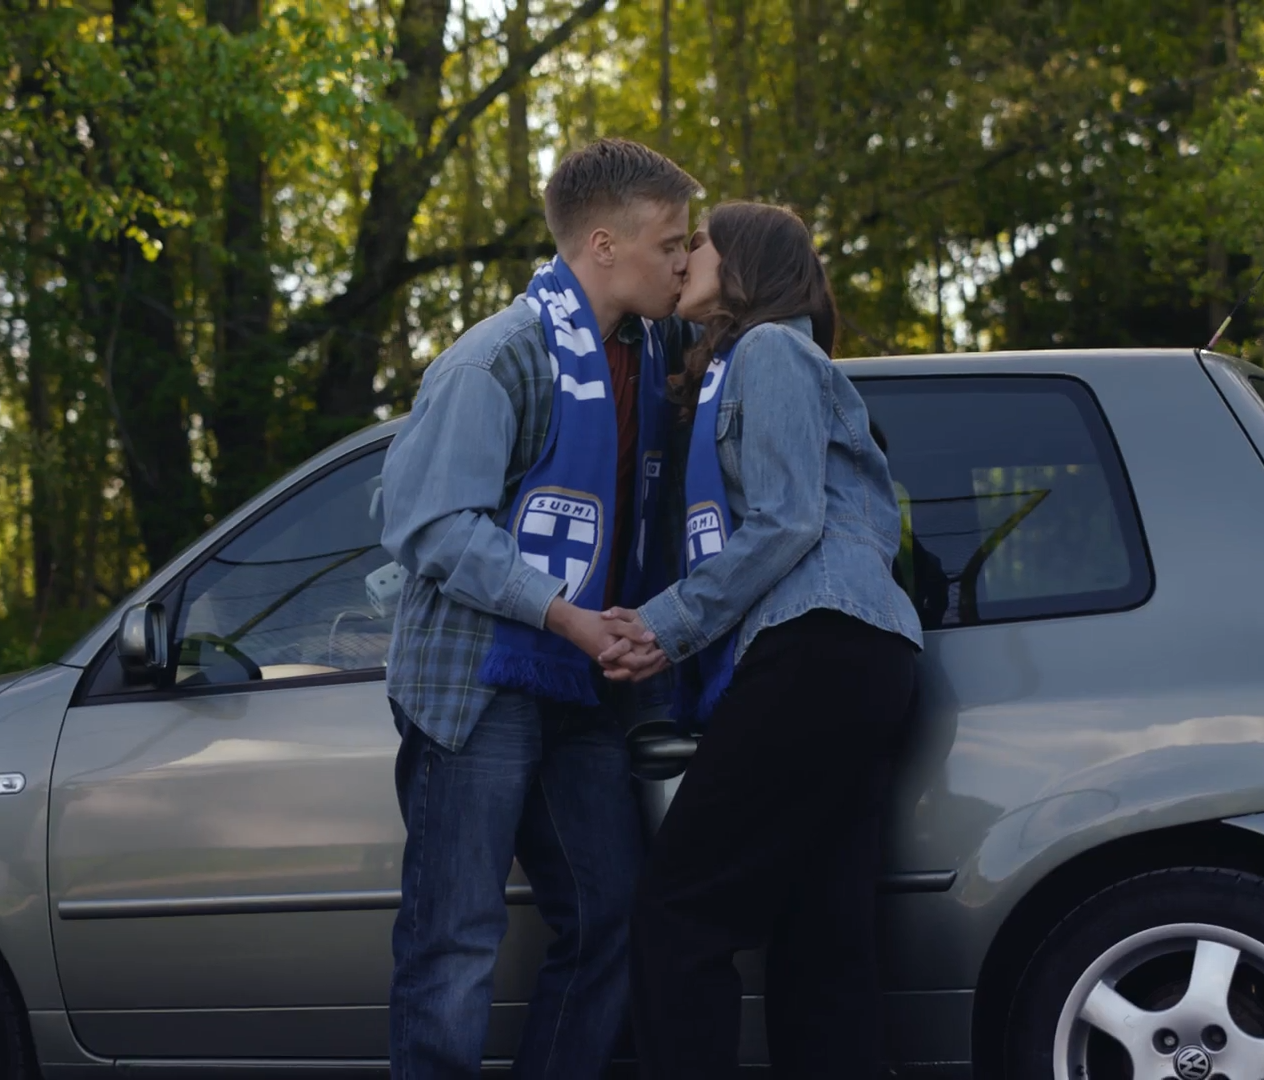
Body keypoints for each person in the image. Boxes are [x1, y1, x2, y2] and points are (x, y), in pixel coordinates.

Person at [377, 137, 700, 1079]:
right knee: (455, 939)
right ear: (603, 247)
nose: (685, 260)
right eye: (671, 243)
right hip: (480, 683)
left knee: (613, 917)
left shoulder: (654, 350)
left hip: (584, 688)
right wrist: (564, 614)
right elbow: (430, 523)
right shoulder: (499, 359)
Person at [599, 201, 926, 1078]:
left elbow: (783, 520)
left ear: (742, 262)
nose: (683, 258)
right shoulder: (731, 370)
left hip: (818, 645)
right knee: (821, 935)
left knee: (678, 911)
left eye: (696, 242)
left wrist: (664, 628)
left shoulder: (772, 350)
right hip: (856, 655)